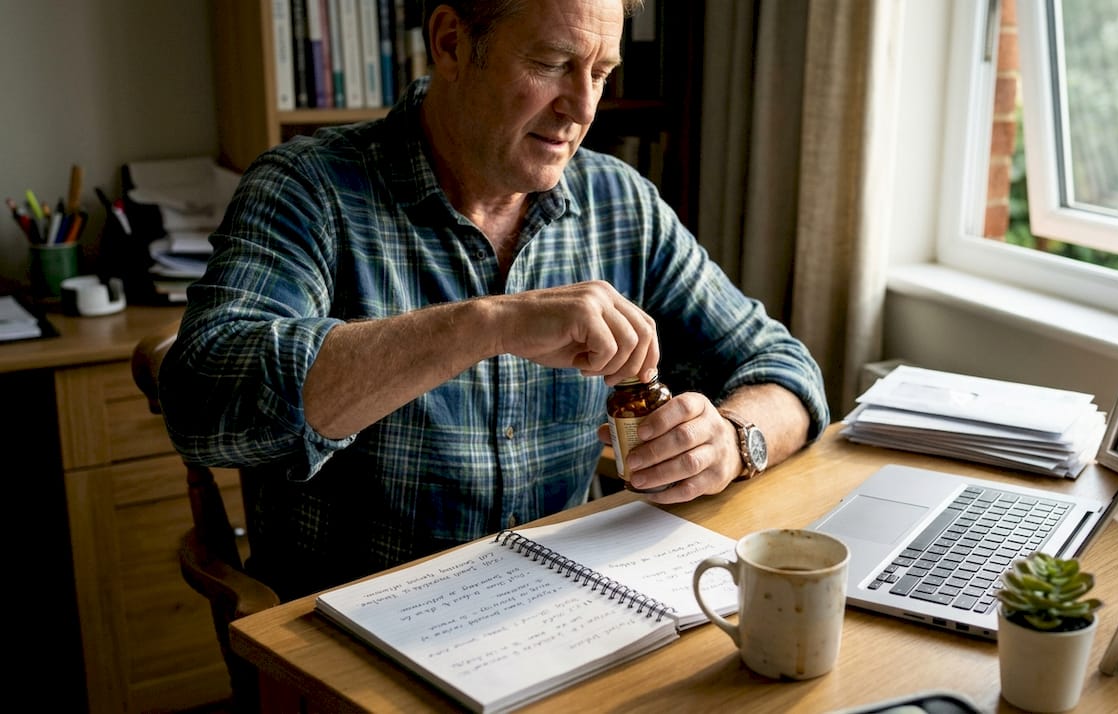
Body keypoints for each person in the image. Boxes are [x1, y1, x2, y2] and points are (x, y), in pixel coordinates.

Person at [157, 0, 829, 601]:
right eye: (553, 63)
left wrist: (735, 441)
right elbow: (204, 402)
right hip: (357, 638)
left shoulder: (619, 202)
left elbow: (786, 368)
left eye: (599, 72)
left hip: (562, 611)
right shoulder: (308, 189)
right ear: (451, 43)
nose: (584, 108)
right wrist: (483, 325)